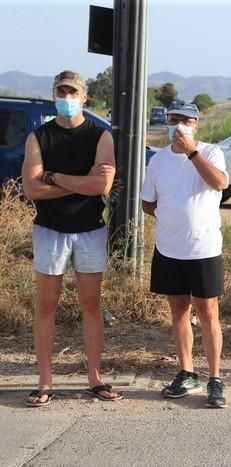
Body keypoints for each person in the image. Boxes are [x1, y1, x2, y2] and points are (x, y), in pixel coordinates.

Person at [21, 70, 119, 406]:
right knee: (46, 306)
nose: (67, 98)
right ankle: (44, 382)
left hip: (90, 230)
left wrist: (54, 176)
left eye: (73, 92)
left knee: (91, 306)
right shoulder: (39, 137)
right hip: (50, 230)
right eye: (62, 92)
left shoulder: (100, 136)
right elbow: (32, 189)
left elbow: (101, 186)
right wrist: (80, 181)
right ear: (54, 95)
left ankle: (95, 377)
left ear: (84, 97)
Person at [141, 103, 230, 408]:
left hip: (203, 248)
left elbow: (219, 183)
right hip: (169, 247)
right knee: (178, 311)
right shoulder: (158, 160)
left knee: (207, 312)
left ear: (196, 126)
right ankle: (186, 371)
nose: (177, 126)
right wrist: (171, 217)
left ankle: (216, 379)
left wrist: (192, 153)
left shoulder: (211, 152)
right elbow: (147, 204)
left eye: (184, 121)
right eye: (172, 120)